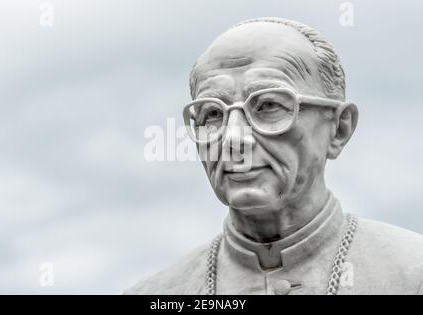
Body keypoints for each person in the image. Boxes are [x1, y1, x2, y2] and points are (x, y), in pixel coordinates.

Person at [125, 17, 423, 295]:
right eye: (213, 113)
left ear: (339, 129)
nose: (233, 138)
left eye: (267, 105)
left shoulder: (411, 274)